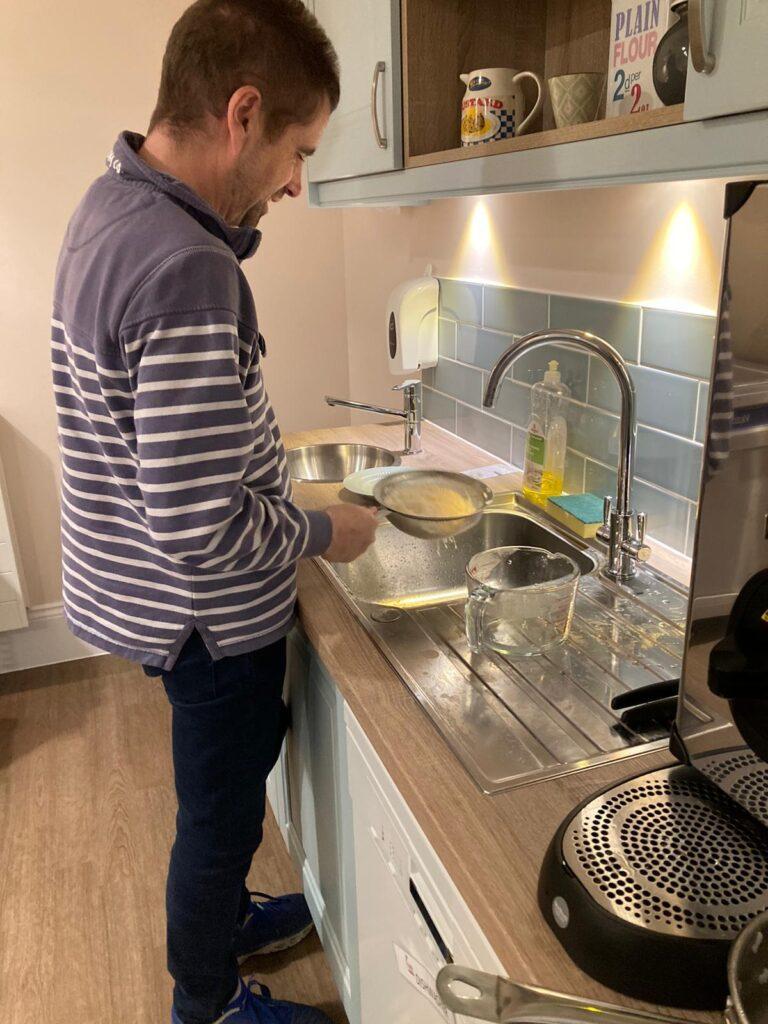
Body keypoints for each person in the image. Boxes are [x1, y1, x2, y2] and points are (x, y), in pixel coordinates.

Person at [50, 2, 378, 1021]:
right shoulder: (189, 265)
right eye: (297, 148)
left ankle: (223, 921)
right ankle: (208, 1000)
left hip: (140, 593)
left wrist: (279, 488)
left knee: (218, 801)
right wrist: (329, 528)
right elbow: (202, 526)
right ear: (243, 112)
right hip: (202, 612)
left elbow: (162, 449)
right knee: (220, 816)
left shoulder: (113, 203)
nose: (294, 181)